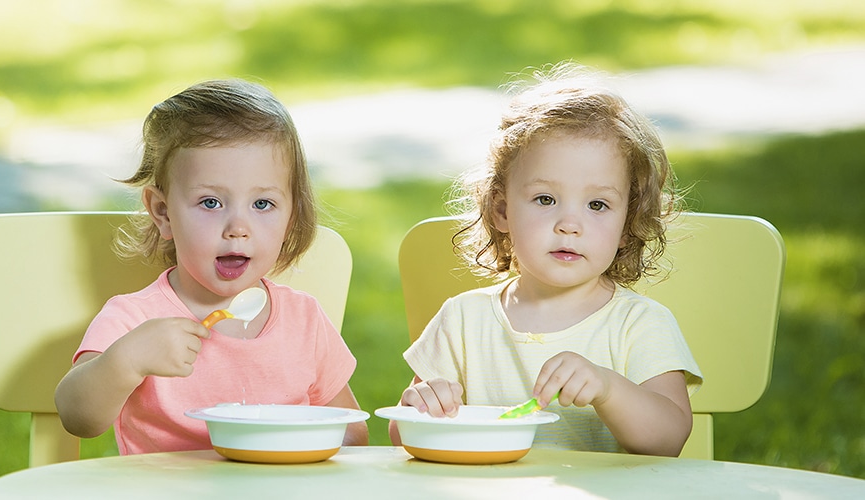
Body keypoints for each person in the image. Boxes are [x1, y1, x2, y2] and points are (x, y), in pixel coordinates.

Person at [391, 63, 702, 457]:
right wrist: (422, 408)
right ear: (502, 210)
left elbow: (668, 440)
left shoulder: (639, 325)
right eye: (545, 199)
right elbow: (402, 437)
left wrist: (608, 388)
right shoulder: (462, 322)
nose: (570, 224)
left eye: (597, 204)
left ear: (627, 224)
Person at [55, 79, 368, 454]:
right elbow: (77, 417)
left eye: (263, 204)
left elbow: (351, 435)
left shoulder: (304, 319)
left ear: (291, 215)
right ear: (163, 212)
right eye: (211, 203)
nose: (238, 228)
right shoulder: (135, 319)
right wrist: (126, 361)